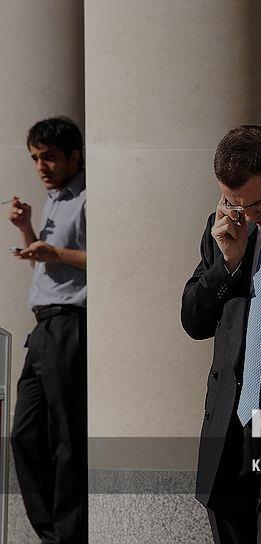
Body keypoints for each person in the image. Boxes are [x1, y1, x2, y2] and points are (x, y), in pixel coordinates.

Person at [181, 125, 261, 543]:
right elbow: (194, 321)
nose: (246, 214)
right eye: (235, 203)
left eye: (256, 203)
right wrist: (227, 264)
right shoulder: (227, 229)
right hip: (229, 427)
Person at [7, 116, 88, 543]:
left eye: (50, 157)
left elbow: (107, 258)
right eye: (36, 158)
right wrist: (27, 230)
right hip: (41, 329)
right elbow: (47, 264)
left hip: (70, 323)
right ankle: (51, 533)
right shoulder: (54, 200)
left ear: (75, 157)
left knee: (66, 436)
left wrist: (54, 251)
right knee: (24, 435)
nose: (41, 166)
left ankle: (70, 535)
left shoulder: (87, 198)